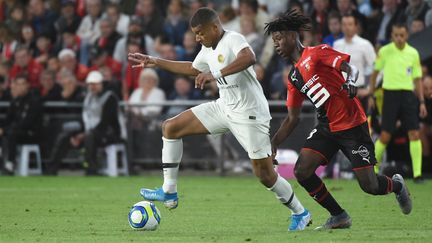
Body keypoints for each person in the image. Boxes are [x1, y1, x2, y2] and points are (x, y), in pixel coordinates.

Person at [128, 7, 311, 231]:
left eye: (200, 32)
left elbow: (249, 57)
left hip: (250, 113)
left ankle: (300, 212)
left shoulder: (233, 38)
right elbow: (193, 68)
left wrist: (214, 74)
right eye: (194, 33)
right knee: (171, 127)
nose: (197, 37)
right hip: (224, 107)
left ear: (215, 27)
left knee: (264, 174)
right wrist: (155, 61)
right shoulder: (207, 48)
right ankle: (169, 190)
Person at [265, 10, 412, 230]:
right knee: (302, 171)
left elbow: (349, 67)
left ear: (293, 36)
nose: (276, 44)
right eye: (273, 40)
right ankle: (339, 216)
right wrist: (273, 143)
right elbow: (292, 118)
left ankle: (397, 185)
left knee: (369, 185)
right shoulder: (293, 77)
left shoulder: (317, 53)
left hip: (352, 125)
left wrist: (351, 81)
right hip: (327, 127)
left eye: (279, 38)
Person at [370, 23, 427, 183]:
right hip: (390, 95)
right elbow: (374, 74)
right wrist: (372, 95)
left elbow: (417, 80)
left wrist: (421, 101)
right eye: (396, 35)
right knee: (385, 135)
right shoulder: (385, 51)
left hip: (408, 96)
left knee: (414, 134)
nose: (399, 38)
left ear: (406, 35)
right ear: (392, 36)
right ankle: (373, 169)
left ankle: (417, 174)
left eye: (402, 35)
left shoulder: (413, 53)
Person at [45, 71, 121, 175]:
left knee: (90, 137)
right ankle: (51, 169)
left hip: (110, 134)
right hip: (91, 132)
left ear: (101, 83)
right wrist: (76, 134)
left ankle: (92, 169)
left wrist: (82, 136)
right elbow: (86, 118)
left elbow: (105, 123)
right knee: (65, 136)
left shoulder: (110, 98)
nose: (92, 87)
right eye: (90, 84)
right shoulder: (89, 98)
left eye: (94, 84)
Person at [0, 75, 43, 175]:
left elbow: (27, 123)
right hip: (15, 131)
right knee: (7, 134)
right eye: (18, 84)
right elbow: (8, 120)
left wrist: (5, 130)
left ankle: (10, 163)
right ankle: (3, 163)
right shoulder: (15, 101)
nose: (20, 87)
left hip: (31, 134)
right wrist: (2, 128)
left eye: (22, 84)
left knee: (11, 134)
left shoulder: (34, 101)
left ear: (28, 85)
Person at [334, 14, 376, 111]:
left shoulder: (365, 44)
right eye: (344, 24)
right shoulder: (337, 45)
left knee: (360, 125)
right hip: (340, 93)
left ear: (356, 26)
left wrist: (369, 89)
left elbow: (376, 68)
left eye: (350, 24)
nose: (347, 27)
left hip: (358, 91)